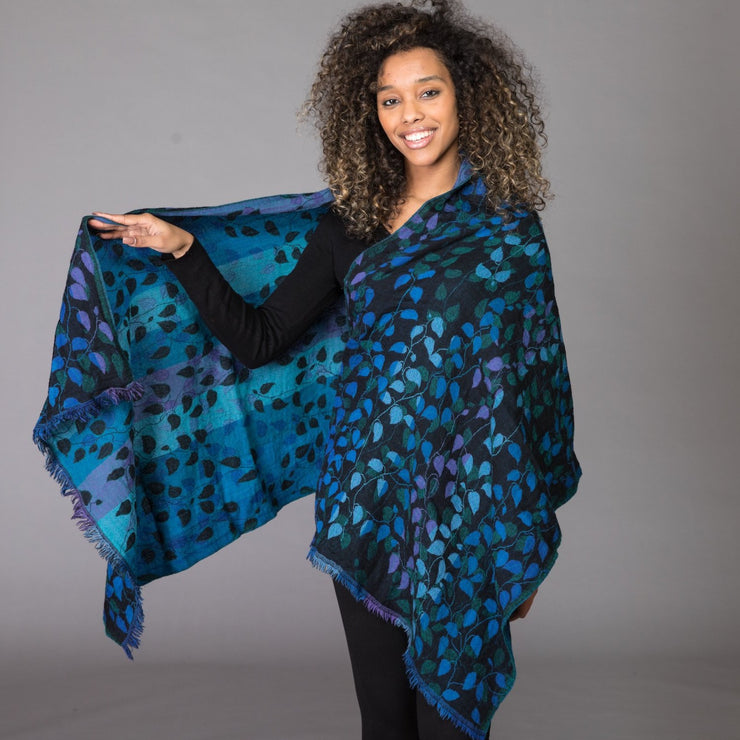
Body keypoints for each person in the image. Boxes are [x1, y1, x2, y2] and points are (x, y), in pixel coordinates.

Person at [89, 1, 580, 738]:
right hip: (365, 500)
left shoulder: (507, 230)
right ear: (370, 111)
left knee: (449, 723)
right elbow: (261, 340)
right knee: (384, 722)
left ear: (466, 95)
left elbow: (537, 387)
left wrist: (524, 534)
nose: (409, 115)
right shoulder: (347, 225)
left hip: (472, 509)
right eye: (389, 99)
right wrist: (184, 251)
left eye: (428, 91)